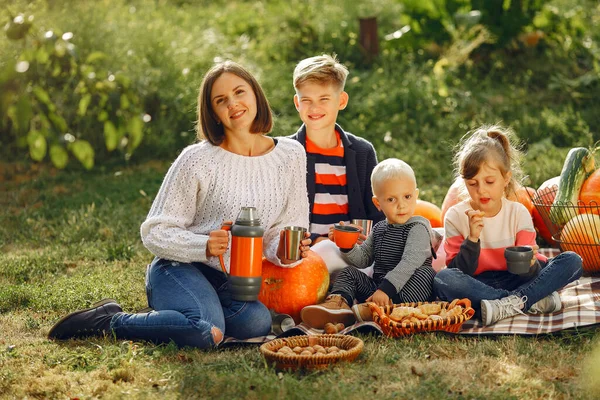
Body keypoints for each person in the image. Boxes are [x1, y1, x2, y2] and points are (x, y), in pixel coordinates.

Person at [48, 61, 311, 348]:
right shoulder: (197, 159)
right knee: (206, 332)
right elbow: (155, 231)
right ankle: (109, 319)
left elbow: (281, 230)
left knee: (257, 323)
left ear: (256, 95)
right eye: (221, 100)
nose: (233, 104)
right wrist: (204, 246)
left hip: (229, 281)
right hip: (177, 266)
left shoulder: (290, 155)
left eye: (239, 92)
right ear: (213, 113)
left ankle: (182, 315)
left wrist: (288, 250)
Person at [433, 125, 583, 326]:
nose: (481, 190)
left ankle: (506, 305)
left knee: (573, 261)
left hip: (518, 279)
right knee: (443, 279)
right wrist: (472, 239)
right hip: (479, 284)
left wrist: (530, 265)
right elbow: (459, 272)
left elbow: (528, 271)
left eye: (489, 181)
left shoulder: (518, 212)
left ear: (505, 178)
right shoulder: (456, 216)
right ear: (464, 182)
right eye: (473, 183)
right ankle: (530, 301)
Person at [300, 158, 438, 328]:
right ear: (377, 203)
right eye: (391, 200)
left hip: (406, 290)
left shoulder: (418, 227)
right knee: (349, 272)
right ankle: (338, 305)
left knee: (425, 274)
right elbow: (363, 259)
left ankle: (387, 311)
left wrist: (386, 290)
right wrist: (346, 244)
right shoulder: (380, 228)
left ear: (416, 196)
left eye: (407, 197)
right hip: (379, 290)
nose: (401, 205)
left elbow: (410, 262)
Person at [288, 54, 384, 277]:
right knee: (326, 251)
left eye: (324, 99)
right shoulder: (288, 153)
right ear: (297, 103)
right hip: (306, 255)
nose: (314, 108)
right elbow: (279, 220)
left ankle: (343, 296)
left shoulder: (362, 152)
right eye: (306, 100)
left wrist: (359, 240)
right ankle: (339, 296)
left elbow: (377, 213)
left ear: (341, 101)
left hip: (355, 254)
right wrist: (314, 240)